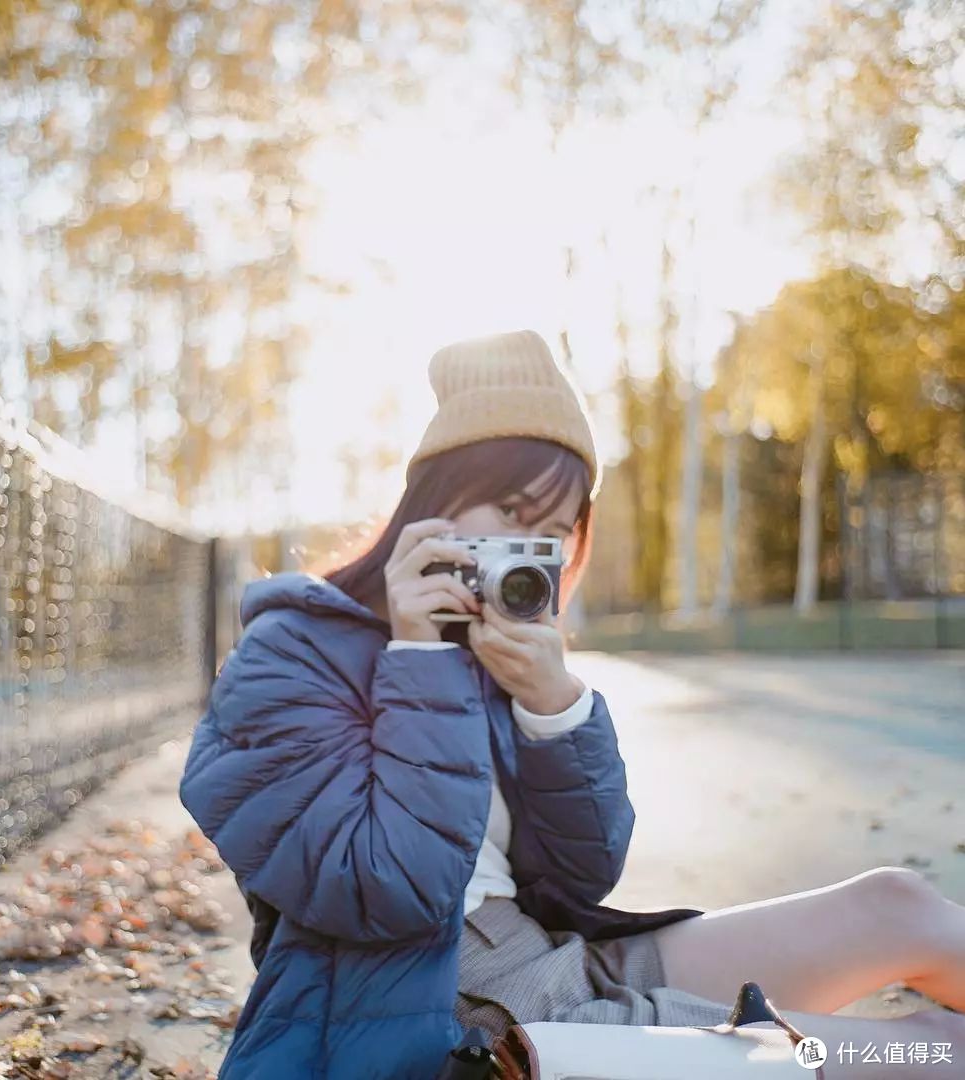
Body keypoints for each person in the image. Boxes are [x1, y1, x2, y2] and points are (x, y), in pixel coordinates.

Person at [180, 330, 965, 1080]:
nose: (530, 550)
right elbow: (387, 894)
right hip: (445, 1027)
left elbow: (581, 878)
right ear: (435, 502)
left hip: (553, 962)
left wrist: (555, 709)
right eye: (512, 515)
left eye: (554, 530)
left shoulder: (493, 650)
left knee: (897, 904)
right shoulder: (290, 654)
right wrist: (417, 661)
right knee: (927, 1054)